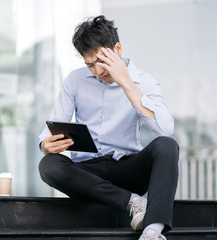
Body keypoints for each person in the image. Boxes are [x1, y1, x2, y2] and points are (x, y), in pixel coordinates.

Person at [38, 15, 179, 240]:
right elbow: (51, 130)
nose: (96, 71)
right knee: (49, 165)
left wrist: (126, 82)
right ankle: (133, 203)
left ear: (118, 49)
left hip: (128, 170)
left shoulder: (144, 81)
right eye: (89, 64)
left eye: (101, 62)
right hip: (87, 173)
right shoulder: (75, 80)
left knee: (167, 146)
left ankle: (153, 230)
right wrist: (46, 145)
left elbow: (165, 129)